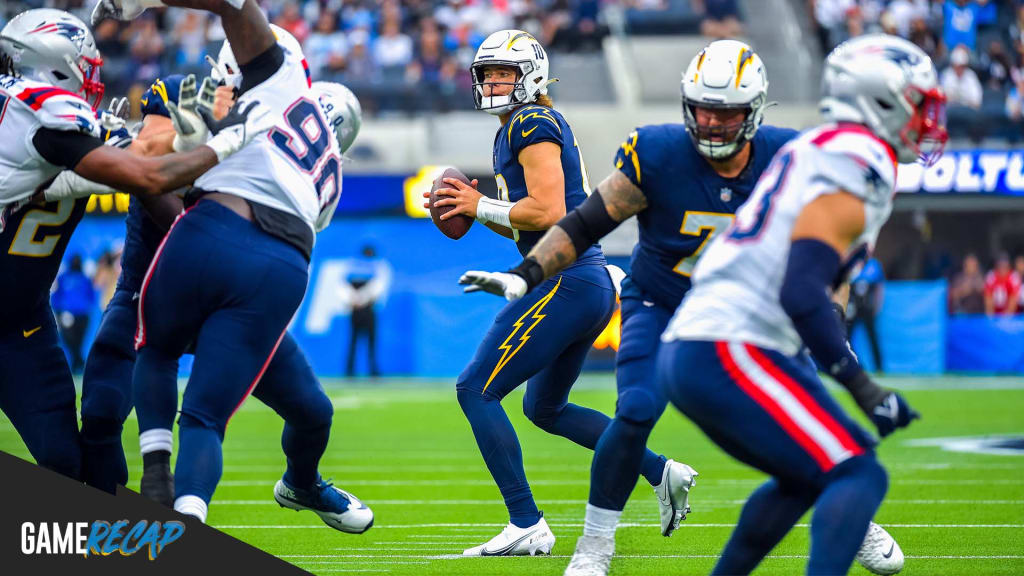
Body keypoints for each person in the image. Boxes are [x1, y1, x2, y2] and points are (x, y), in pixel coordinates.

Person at [658, 34, 942, 575]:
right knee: (859, 474)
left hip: (706, 343)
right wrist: (864, 388)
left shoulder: (820, 147)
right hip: (730, 344)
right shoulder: (859, 158)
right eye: (919, 105)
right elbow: (800, 288)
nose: (926, 121)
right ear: (880, 102)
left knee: (804, 478)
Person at [92, 0, 371, 530]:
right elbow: (146, 168)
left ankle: (294, 483)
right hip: (185, 268)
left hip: (200, 257)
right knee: (112, 408)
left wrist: (202, 151)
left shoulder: (254, 98)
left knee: (312, 411)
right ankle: (131, 498)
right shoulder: (193, 94)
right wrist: (184, 145)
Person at [0, 7, 266, 482]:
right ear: (54, 63)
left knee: (66, 463)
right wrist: (222, 144)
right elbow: (143, 171)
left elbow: (139, 162)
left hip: (19, 324)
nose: (92, 77)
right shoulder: (32, 107)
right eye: (84, 64)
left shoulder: (52, 120)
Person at [426, 29, 649, 557]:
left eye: (506, 72)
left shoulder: (531, 121)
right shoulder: (518, 126)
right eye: (488, 74)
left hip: (564, 278)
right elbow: (534, 226)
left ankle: (526, 521)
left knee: (475, 389)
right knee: (545, 407)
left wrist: (477, 205)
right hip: (580, 276)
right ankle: (662, 472)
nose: (495, 82)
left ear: (530, 74)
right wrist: (480, 210)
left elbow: (549, 214)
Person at [346, 244, 390, 377]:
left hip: (367, 307)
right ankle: (350, 370)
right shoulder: (354, 266)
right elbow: (343, 285)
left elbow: (379, 286)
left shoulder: (377, 266)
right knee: (355, 340)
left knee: (370, 341)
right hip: (358, 308)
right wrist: (355, 299)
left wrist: (360, 298)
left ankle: (372, 370)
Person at [52, 254, 97, 373]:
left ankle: (77, 364)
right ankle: (79, 362)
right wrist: (59, 312)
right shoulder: (63, 278)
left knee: (79, 341)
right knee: (69, 340)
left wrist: (89, 307)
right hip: (67, 315)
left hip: (83, 314)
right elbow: (56, 296)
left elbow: (91, 295)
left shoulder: (85, 279)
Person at [847, 257, 885, 372]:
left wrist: (878, 305)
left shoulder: (874, 265)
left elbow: (880, 287)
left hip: (867, 308)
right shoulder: (851, 263)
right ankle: (852, 364)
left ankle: (879, 367)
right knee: (846, 337)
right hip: (852, 307)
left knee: (872, 337)